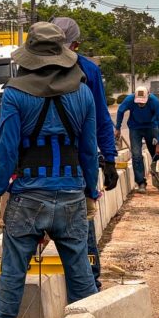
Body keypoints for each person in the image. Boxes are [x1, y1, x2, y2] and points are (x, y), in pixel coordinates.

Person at [0, 22, 100, 318]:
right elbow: (88, 150)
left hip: (29, 196)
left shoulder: (15, 95)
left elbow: (7, 151)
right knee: (79, 269)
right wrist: (91, 193)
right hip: (72, 193)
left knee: (14, 266)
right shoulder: (82, 93)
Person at [52, 16, 119, 291]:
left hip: (76, 161)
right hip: (44, 163)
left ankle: (90, 280)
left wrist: (110, 158)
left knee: (82, 223)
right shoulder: (29, 70)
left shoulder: (89, 72)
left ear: (76, 45)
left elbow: (101, 118)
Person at [115, 85, 159, 194]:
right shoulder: (129, 100)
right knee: (136, 155)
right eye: (139, 102)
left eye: (143, 102)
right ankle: (141, 182)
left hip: (151, 127)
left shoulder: (154, 102)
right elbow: (120, 111)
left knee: (156, 154)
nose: (141, 104)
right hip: (135, 128)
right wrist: (118, 128)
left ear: (148, 96)